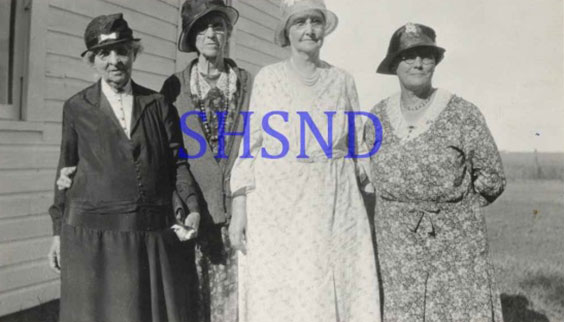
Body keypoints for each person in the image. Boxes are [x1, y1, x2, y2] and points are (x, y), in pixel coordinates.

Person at [228, 1, 381, 321]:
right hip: (277, 201)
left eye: (316, 22)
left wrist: (367, 196)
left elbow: (359, 146)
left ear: (324, 29)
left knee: (332, 277)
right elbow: (251, 144)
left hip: (333, 199)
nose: (309, 30)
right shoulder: (268, 78)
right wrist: (239, 207)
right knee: (283, 284)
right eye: (300, 23)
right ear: (287, 32)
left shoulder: (342, 80)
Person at [46, 13, 201, 322]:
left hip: (146, 233)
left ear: (134, 54)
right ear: (93, 60)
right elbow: (66, 170)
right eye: (104, 53)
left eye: (123, 51)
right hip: (93, 237)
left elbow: (177, 163)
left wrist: (193, 207)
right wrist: (56, 233)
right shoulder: (77, 107)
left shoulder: (158, 105)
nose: (115, 61)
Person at [364, 23, 506, 321]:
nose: (418, 63)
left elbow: (492, 177)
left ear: (436, 62)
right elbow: (367, 173)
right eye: (408, 56)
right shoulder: (376, 116)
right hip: (396, 242)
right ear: (394, 65)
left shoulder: (462, 113)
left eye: (426, 56)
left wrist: (454, 211)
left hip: (455, 241)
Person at [160, 1, 252, 321]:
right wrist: (183, 207)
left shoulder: (247, 84)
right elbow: (169, 156)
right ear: (191, 37)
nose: (212, 34)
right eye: (202, 28)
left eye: (218, 26)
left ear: (228, 32)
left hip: (242, 216)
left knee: (240, 304)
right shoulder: (174, 88)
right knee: (193, 303)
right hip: (195, 217)